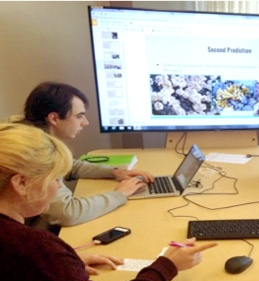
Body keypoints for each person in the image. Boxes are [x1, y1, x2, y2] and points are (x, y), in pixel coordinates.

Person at [0, 123, 217, 281]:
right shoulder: (36, 248)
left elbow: (24, 273)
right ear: (21, 183)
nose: (58, 188)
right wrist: (167, 265)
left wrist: (65, 264)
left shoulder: (27, 249)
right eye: (56, 179)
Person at [17, 81, 155, 232]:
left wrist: (115, 172)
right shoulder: (35, 152)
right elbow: (67, 213)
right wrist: (119, 194)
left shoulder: (27, 133)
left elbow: (70, 166)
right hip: (30, 230)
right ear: (54, 118)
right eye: (79, 116)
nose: (86, 123)